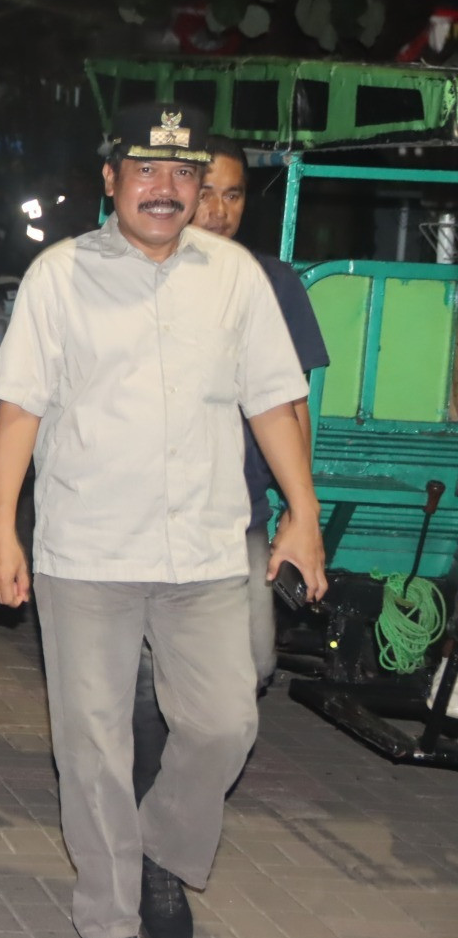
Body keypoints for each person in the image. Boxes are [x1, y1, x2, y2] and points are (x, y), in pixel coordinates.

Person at [0, 103, 328, 938]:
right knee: (92, 747)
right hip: (87, 551)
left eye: (183, 172)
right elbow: (20, 408)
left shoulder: (235, 277)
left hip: (205, 549)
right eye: (146, 169)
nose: (165, 188)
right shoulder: (60, 275)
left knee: (225, 723)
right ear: (111, 180)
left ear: (200, 184)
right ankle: (109, 918)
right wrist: (1, 530)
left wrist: (304, 514)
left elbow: (275, 403)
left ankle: (160, 851)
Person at [131, 134, 330, 798]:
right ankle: (153, 805)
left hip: (238, 511)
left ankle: (179, 786)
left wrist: (301, 512)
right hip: (146, 510)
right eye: (207, 192)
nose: (218, 210)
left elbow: (292, 405)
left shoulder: (273, 282)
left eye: (235, 195)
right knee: (145, 673)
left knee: (252, 663)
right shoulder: (133, 273)